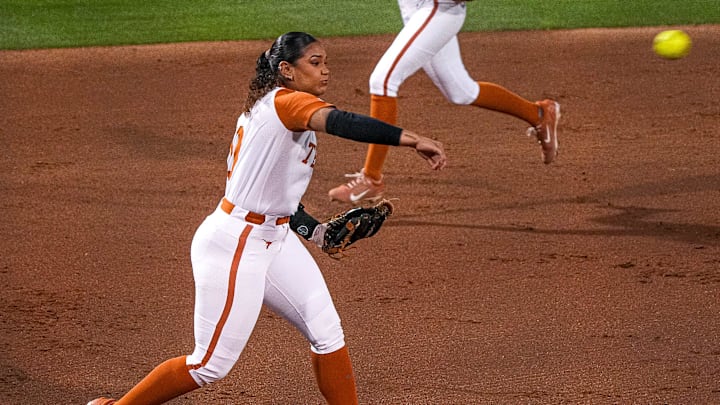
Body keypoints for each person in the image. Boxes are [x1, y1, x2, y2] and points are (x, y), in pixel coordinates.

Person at [87, 32, 446, 405]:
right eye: (315, 62)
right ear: (287, 70)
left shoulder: (277, 108)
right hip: (237, 242)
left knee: (327, 331)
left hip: (273, 237)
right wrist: (410, 139)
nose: (325, 71)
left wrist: (317, 233)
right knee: (209, 365)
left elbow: (278, 198)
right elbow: (342, 122)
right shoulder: (286, 104)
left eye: (325, 62)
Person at [328, 0, 561, 204]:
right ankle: (539, 114)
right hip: (415, 7)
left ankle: (371, 178)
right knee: (461, 90)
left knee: (383, 81)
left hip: (439, 10)